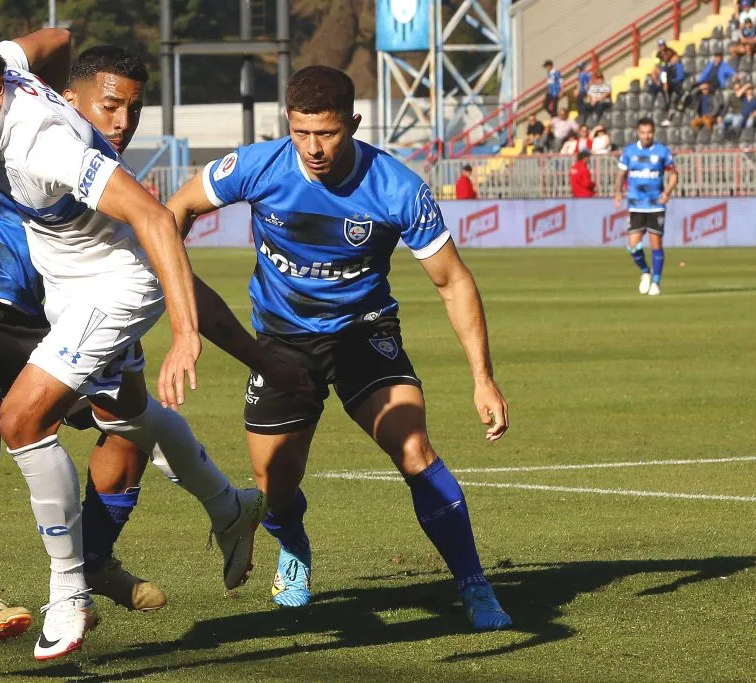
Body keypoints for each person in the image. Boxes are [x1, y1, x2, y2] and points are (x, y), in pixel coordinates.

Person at [0, 24, 299, 660]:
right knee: (130, 419)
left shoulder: (43, 145)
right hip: (64, 277)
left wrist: (185, 335)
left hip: (115, 280)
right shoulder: (2, 68)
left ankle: (69, 592)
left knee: (21, 419)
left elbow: (151, 217)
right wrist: (59, 86)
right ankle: (230, 508)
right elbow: (55, 35)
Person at [166, 65, 512, 630]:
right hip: (281, 340)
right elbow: (173, 213)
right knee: (273, 484)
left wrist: (482, 377)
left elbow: (452, 280)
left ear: (351, 123)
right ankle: (295, 546)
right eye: (302, 133)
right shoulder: (256, 165)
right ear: (288, 124)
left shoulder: (397, 186)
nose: (314, 148)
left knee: (415, 450)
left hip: (364, 333)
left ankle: (475, 585)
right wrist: (174, 289)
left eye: (326, 133)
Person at [614, 118, 678, 297]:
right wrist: (618, 192)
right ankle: (645, 271)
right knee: (633, 245)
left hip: (655, 205)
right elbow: (621, 173)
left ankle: (656, 282)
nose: (646, 136)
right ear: (637, 133)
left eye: (649, 132)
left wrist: (667, 192)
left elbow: (673, 175)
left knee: (655, 243)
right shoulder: (629, 152)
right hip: (636, 204)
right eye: (643, 132)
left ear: (654, 132)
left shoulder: (662, 151)